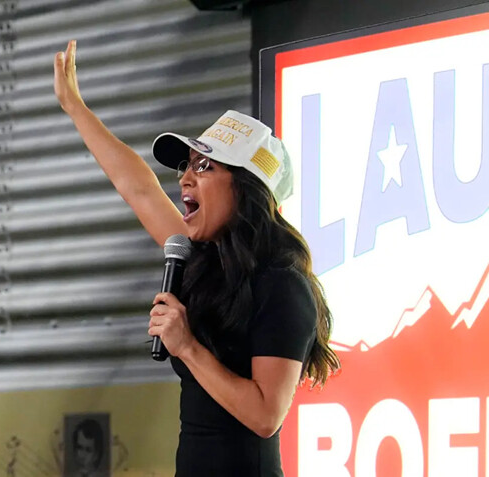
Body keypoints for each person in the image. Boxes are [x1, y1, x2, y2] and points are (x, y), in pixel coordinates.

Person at [54, 40, 340, 477]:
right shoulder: (202, 260)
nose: (185, 177)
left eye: (205, 167)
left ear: (247, 188)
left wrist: (187, 346)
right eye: (187, 165)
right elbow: (139, 188)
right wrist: (76, 108)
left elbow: (266, 415)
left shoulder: (282, 284)